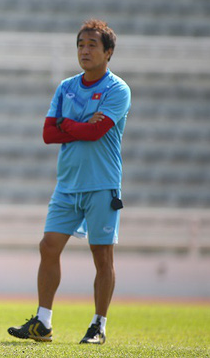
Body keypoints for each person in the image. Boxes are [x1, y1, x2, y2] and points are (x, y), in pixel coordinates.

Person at [8, 19, 131, 345]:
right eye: (80, 44)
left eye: (92, 45)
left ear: (108, 52)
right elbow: (49, 134)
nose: (85, 50)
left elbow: (96, 132)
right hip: (67, 184)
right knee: (48, 246)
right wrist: (79, 124)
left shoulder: (118, 90)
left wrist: (67, 124)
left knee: (101, 256)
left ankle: (98, 325)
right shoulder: (66, 87)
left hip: (102, 184)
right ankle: (43, 322)